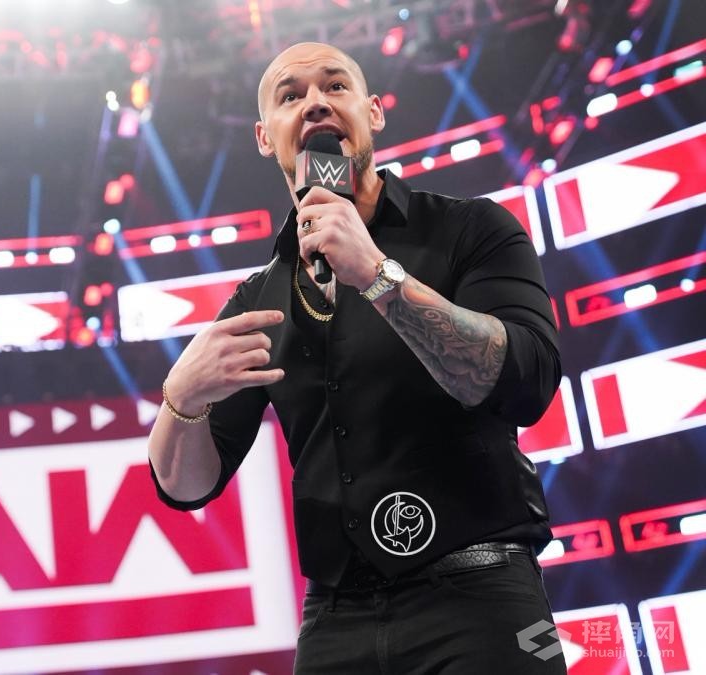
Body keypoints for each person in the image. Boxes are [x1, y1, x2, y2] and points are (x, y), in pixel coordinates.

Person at [147, 42, 565, 674]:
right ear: (265, 137)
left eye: (335, 86)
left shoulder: (471, 229)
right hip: (335, 619)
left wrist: (375, 273)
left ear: (373, 112)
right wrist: (180, 400)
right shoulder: (256, 301)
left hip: (483, 594)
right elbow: (187, 486)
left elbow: (527, 380)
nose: (315, 102)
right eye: (291, 95)